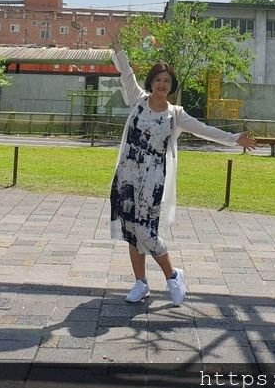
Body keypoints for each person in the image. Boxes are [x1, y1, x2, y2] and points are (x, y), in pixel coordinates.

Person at [108, 35, 257, 306]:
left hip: (152, 178)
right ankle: (140, 283)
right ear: (151, 83)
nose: (162, 85)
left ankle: (173, 275)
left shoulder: (175, 114)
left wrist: (235, 138)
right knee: (131, 230)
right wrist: (117, 46)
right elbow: (126, 73)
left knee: (146, 231)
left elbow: (204, 130)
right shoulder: (137, 99)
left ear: (171, 85)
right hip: (128, 173)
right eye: (157, 80)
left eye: (166, 81)